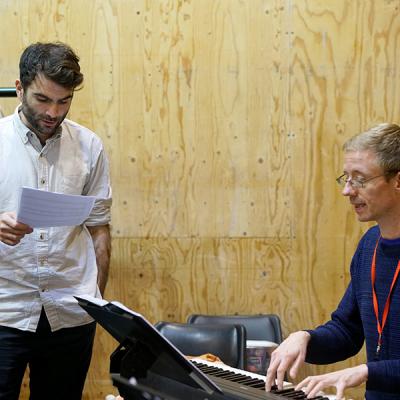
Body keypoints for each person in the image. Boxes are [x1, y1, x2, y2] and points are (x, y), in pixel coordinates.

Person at [0, 42, 112, 400]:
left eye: (64, 101)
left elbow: (99, 228)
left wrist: (96, 302)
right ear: (19, 89)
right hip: (5, 310)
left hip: (70, 312)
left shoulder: (89, 146)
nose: (53, 111)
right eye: (43, 99)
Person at [265, 123, 400, 400]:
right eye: (346, 178)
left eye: (360, 179)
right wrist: (305, 338)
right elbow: (347, 332)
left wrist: (366, 372)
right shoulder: (369, 245)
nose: (347, 191)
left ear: (397, 180)